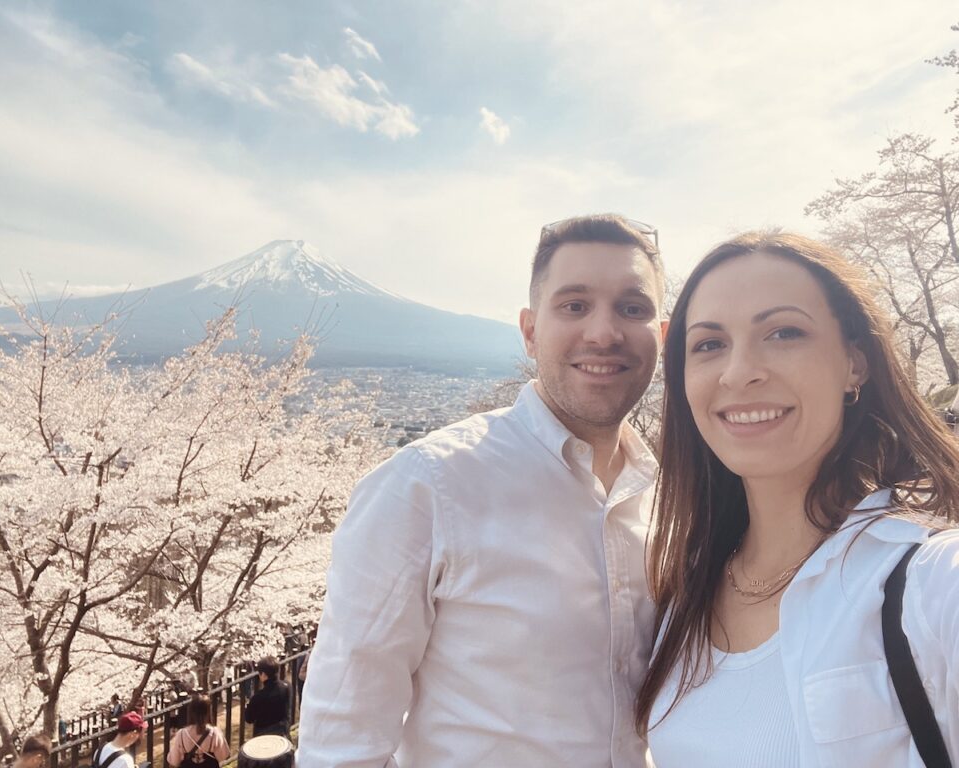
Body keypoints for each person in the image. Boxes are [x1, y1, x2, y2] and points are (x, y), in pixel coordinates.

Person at [298, 214, 665, 767]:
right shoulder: (427, 485)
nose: (604, 332)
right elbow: (343, 735)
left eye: (632, 308)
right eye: (574, 305)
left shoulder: (666, 496)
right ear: (530, 330)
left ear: (661, 335)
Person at [636, 231, 959, 766]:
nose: (739, 372)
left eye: (784, 332)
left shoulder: (930, 583)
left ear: (855, 363)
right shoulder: (684, 590)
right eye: (709, 344)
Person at [166, 696, 230, 768]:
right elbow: (224, 756)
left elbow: (174, 761)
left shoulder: (181, 734)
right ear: (208, 712)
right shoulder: (215, 733)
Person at [244, 656, 290, 737]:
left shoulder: (258, 697)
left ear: (264, 675)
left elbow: (249, 719)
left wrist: (248, 706)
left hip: (263, 737)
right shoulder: (286, 687)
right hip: (282, 733)